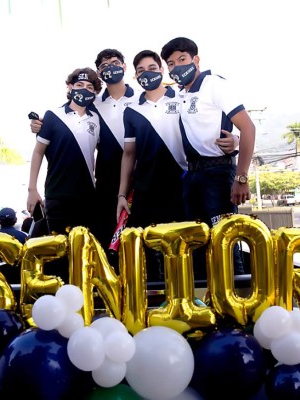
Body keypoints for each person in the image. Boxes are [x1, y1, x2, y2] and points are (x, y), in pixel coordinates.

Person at [31, 49, 140, 259]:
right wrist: (40, 126)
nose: (111, 68)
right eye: (104, 66)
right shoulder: (93, 105)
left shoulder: (141, 98)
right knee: (101, 243)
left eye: (115, 63)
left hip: (141, 178)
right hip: (104, 186)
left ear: (124, 67)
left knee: (139, 237)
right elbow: (67, 123)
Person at [160, 37, 254, 275]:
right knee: (199, 245)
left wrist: (241, 177)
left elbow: (248, 127)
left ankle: (235, 305)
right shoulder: (180, 94)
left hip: (218, 174)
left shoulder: (214, 84)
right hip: (192, 176)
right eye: (171, 64)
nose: (176, 66)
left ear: (196, 60)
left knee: (225, 242)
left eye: (182, 59)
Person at [116, 50, 187, 281]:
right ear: (136, 77)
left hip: (182, 186)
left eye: (152, 68)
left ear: (162, 69)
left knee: (183, 249)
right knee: (150, 250)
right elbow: (129, 154)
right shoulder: (131, 111)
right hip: (147, 189)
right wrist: (121, 195)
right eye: (141, 71)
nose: (147, 73)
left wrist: (234, 141)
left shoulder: (182, 99)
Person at [27, 67, 102, 237]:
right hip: (57, 196)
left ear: (95, 92)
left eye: (89, 87)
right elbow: (38, 153)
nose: (84, 89)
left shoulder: (97, 119)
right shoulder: (53, 115)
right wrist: (32, 189)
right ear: (70, 87)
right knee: (59, 253)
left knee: (85, 253)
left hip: (88, 197)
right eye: (79, 84)